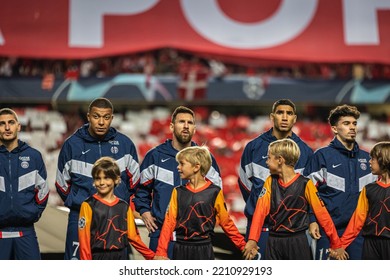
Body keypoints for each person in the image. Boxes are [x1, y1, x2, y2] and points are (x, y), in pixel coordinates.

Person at [56, 97, 140, 260]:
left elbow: (134, 182)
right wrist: (78, 203)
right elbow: (62, 185)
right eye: (96, 116)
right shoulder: (72, 145)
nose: (101, 122)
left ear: (112, 118)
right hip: (81, 217)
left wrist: (118, 204)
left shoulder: (125, 144)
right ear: (88, 117)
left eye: (106, 117)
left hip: (115, 217)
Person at [133, 106, 222, 258]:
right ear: (172, 126)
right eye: (181, 122)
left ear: (195, 128)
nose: (186, 126)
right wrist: (144, 211)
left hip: (196, 239)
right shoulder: (154, 156)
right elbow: (141, 190)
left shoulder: (206, 159)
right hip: (161, 234)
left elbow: (216, 193)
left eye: (190, 122)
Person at [243, 139, 347, 260]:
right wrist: (252, 239)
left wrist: (336, 243)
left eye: (269, 158)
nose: (266, 162)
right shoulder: (270, 181)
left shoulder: (306, 184)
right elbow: (260, 212)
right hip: (273, 242)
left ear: (280, 160)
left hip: (298, 242)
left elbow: (322, 214)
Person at [238, 99, 313, 259]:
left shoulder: (306, 152)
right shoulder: (253, 147)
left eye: (289, 113)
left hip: (294, 231)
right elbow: (245, 185)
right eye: (280, 113)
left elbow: (309, 193)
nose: (284, 117)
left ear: (295, 118)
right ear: (272, 117)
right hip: (260, 228)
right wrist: (259, 207)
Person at [303, 104, 377, 260]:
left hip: (360, 233)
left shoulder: (367, 158)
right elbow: (308, 193)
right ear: (335, 129)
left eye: (354, 123)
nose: (352, 128)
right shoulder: (321, 156)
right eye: (346, 123)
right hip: (328, 232)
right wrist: (312, 220)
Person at [154, 146, 246, 260]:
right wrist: (161, 251)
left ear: (196, 167)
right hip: (181, 248)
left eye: (182, 164)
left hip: (204, 249)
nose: (178, 167)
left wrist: (243, 246)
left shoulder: (214, 192)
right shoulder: (177, 191)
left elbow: (226, 222)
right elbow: (169, 222)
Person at [78, 157, 154, 260]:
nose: (101, 182)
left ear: (116, 179)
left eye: (106, 178)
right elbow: (84, 242)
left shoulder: (124, 206)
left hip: (121, 256)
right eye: (97, 178)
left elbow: (133, 237)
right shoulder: (88, 205)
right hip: (97, 257)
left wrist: (152, 257)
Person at [0, 108, 49, 260]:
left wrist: (32, 213)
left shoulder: (33, 156)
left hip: (26, 232)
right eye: (2, 124)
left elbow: (43, 192)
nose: (7, 127)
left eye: (11, 123)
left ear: (19, 126)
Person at [331, 141, 390, 260]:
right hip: (370, 244)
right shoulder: (368, 189)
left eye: (372, 158)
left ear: (383, 160)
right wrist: (341, 245)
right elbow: (357, 220)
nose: (369, 161)